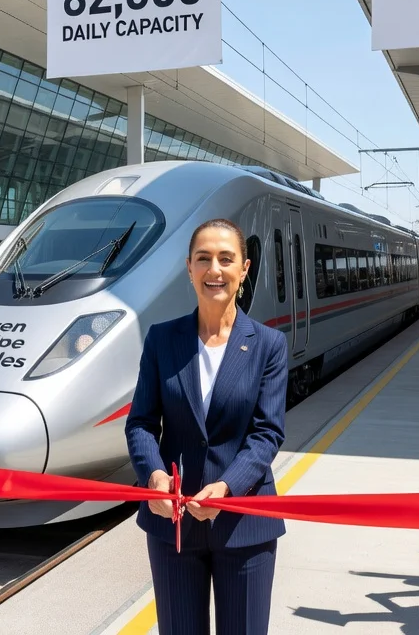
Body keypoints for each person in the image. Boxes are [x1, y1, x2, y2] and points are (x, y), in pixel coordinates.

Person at [125, 219, 288, 635]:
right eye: (203, 259)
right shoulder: (162, 339)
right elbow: (141, 423)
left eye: (225, 259)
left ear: (244, 268)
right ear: (189, 268)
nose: (214, 269)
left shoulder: (269, 344)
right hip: (173, 524)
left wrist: (229, 487)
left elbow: (267, 433)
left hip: (244, 522)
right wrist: (154, 475)